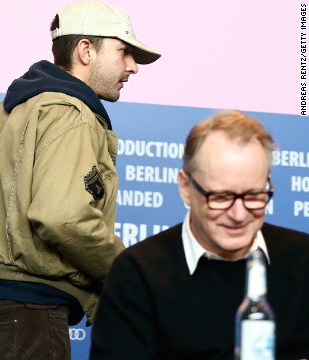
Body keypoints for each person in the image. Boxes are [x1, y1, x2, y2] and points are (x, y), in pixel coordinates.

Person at [0, 1, 160, 359]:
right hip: (25, 314)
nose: (132, 67)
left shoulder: (12, 109)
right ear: (85, 50)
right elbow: (63, 216)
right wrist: (127, 273)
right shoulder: (71, 113)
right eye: (124, 51)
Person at [89, 110, 309, 359]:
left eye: (253, 196)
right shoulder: (137, 274)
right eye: (221, 197)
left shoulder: (303, 261)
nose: (239, 214)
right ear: (185, 188)